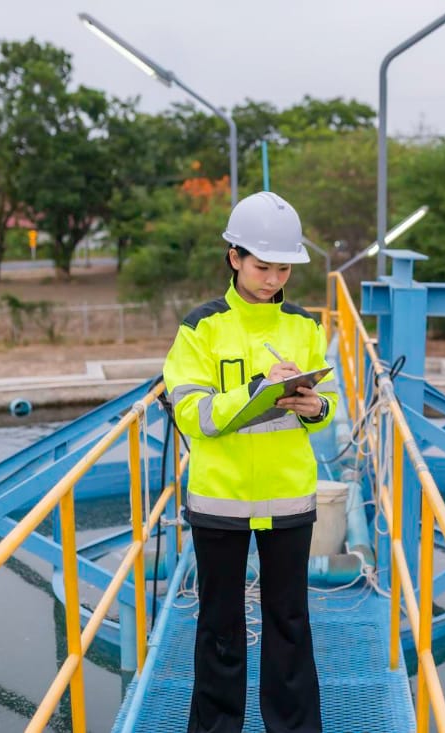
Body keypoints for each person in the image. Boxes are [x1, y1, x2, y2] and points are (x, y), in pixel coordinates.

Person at [163, 191, 337, 733]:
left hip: (288, 497)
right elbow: (193, 414)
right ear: (234, 257)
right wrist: (256, 391)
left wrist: (315, 407)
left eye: (284, 268)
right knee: (220, 626)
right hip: (221, 499)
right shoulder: (201, 328)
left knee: (289, 622)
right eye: (263, 266)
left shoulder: (305, 326)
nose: (273, 278)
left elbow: (323, 413)